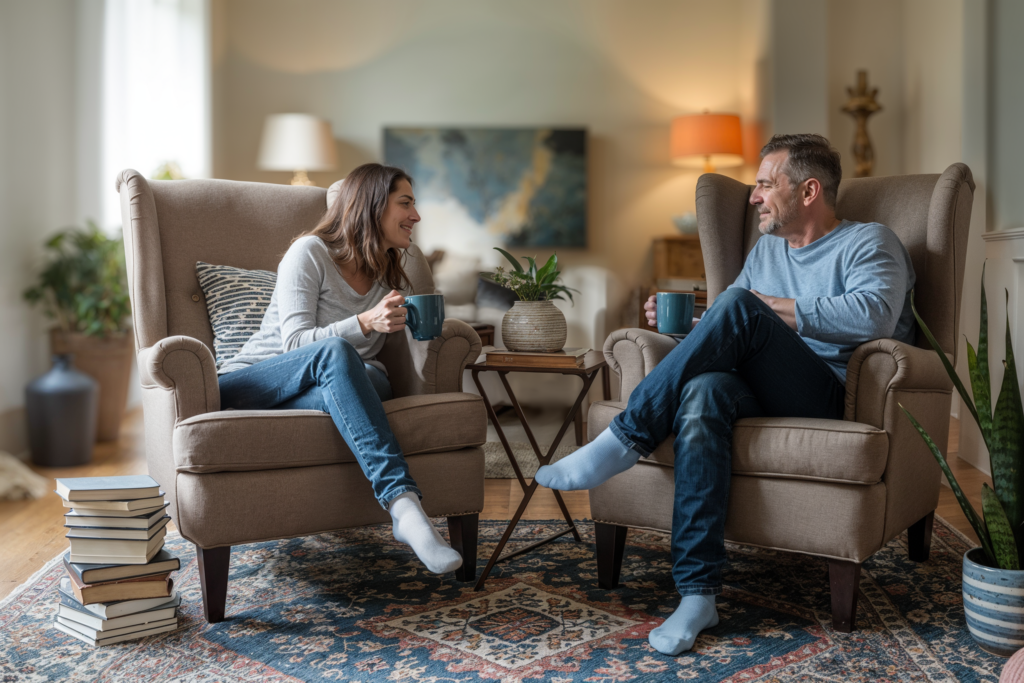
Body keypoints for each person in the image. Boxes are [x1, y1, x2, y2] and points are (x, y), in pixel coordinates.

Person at [536, 134, 915, 655]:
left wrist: (758, 305)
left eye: (764, 183)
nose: (754, 196)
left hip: (831, 392)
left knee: (737, 302)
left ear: (808, 190)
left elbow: (873, 314)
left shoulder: (869, 241)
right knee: (704, 393)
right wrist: (689, 321)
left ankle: (623, 438)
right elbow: (736, 321)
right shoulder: (767, 250)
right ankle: (697, 594)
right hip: (760, 382)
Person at [217, 163, 463, 575]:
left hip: (322, 387)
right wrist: (365, 322)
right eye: (406, 204)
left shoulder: (390, 271)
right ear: (371, 206)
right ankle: (404, 506)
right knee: (337, 352)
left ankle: (407, 513)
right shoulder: (309, 252)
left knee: (369, 377)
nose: (416, 216)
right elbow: (295, 343)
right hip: (251, 380)